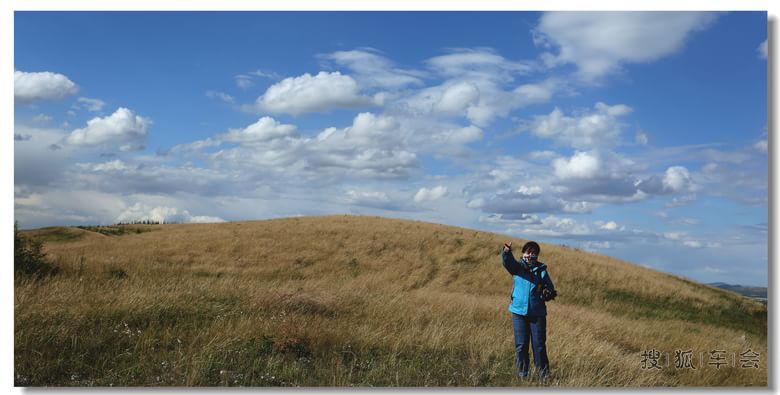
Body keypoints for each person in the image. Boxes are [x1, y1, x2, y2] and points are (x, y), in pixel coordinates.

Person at [501, 240, 556, 380]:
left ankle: (543, 375)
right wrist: (506, 251)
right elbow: (508, 263)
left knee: (539, 346)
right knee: (521, 346)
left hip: (537, 314)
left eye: (533, 253)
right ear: (523, 253)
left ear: (537, 255)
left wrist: (548, 292)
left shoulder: (542, 270)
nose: (530, 255)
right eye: (528, 252)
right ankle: (523, 375)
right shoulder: (517, 267)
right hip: (519, 313)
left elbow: (549, 287)